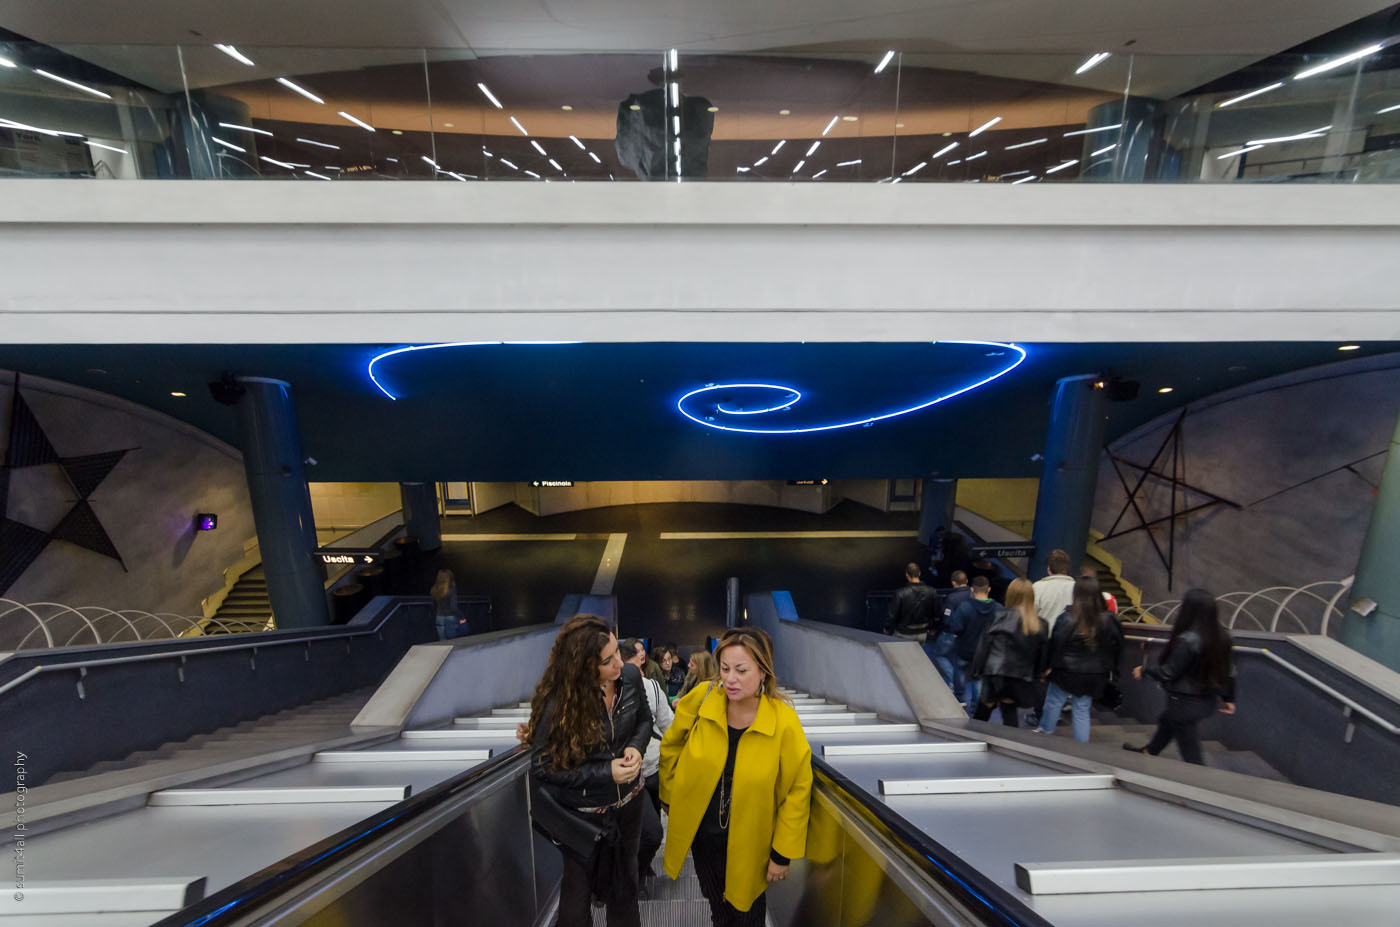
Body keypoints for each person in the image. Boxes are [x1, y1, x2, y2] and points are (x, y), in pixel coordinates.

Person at [659, 627, 812, 926]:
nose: (730, 679)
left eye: (741, 670)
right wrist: (670, 796)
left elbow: (798, 787)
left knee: (747, 915)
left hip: (752, 843)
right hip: (703, 837)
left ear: (763, 672)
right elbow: (671, 746)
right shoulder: (704, 698)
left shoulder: (783, 719)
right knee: (718, 909)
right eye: (725, 669)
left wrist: (782, 853)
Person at [522, 615, 653, 927]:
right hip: (583, 816)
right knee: (576, 897)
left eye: (617, 652)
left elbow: (645, 721)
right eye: (608, 661)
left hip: (628, 806)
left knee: (625, 889)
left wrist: (636, 745)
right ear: (583, 667)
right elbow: (542, 767)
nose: (620, 664)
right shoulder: (560, 703)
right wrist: (606, 772)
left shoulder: (631, 677)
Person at [1124, 589, 1236, 764]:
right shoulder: (1223, 636)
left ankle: (1198, 786)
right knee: (1167, 721)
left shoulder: (1188, 641)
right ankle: (1149, 751)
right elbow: (1229, 671)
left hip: (1184, 703)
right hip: (1206, 701)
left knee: (1191, 754)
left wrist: (1145, 670)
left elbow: (1168, 672)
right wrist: (1229, 698)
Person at [1036, 576, 1122, 742]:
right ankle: (1081, 748)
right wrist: (1113, 671)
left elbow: (1057, 643)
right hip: (1095, 675)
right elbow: (1116, 646)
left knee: (1054, 701)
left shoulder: (1067, 617)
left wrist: (1047, 667)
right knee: (1082, 709)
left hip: (1065, 672)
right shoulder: (1109, 620)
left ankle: (1045, 735)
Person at [622, 638, 674, 891]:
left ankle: (641, 870)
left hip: (651, 769)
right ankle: (634, 875)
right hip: (628, 777)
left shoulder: (651, 688)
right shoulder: (605, 692)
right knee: (648, 832)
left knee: (648, 831)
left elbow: (669, 726)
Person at [969, 578, 1047, 727]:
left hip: (995, 673)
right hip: (1019, 677)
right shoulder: (1040, 624)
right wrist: (1036, 677)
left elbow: (983, 647)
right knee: (1009, 712)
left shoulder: (999, 617)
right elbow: (1041, 657)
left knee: (983, 712)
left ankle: (972, 740)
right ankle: (1010, 744)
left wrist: (976, 671)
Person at [947, 576, 999, 709]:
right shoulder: (998, 608)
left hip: (965, 649)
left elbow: (956, 628)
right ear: (989, 589)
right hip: (985, 653)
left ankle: (960, 700)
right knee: (979, 680)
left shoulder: (965, 607)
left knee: (959, 674)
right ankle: (976, 707)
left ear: (972, 589)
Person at [930, 571, 970, 687]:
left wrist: (938, 629)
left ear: (953, 583)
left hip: (951, 633)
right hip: (967, 634)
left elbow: (946, 619)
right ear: (966, 581)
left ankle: (955, 681)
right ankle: (955, 684)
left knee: (939, 655)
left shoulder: (951, 598)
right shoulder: (973, 595)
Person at [885, 562, 939, 643]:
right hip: (922, 633)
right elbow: (936, 613)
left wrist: (887, 628)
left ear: (907, 574)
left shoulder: (900, 593)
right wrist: (934, 628)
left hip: (903, 633)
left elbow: (892, 614)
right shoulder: (932, 591)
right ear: (919, 573)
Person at [1033, 549, 1076, 632]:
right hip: (1069, 641)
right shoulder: (1078, 588)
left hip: (1044, 640)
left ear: (1048, 568)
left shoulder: (1037, 587)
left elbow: (1030, 616)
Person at [430, 569, 466, 640]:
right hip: (450, 618)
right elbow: (453, 608)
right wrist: (462, 617)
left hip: (439, 618)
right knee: (454, 641)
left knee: (443, 643)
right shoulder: (451, 590)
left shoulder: (434, 590)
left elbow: (433, 606)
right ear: (450, 578)